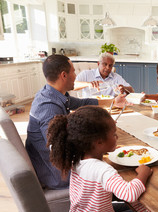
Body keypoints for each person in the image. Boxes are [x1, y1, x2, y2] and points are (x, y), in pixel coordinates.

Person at [47, 106, 153, 212]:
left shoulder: (76, 157)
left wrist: (107, 148)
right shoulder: (103, 170)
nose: (117, 136)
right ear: (99, 142)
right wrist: (143, 173)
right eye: (114, 134)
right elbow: (129, 194)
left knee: (130, 207)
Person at [25, 54, 127, 190]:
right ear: (64, 75)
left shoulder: (52, 93)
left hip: (55, 166)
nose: (75, 75)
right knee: (120, 167)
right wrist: (100, 147)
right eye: (73, 71)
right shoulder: (48, 107)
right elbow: (56, 148)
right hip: (57, 174)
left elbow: (82, 102)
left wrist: (113, 102)